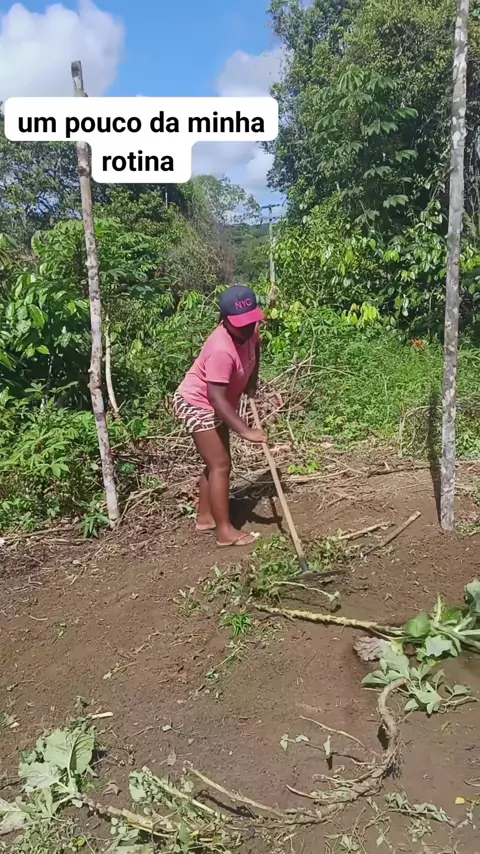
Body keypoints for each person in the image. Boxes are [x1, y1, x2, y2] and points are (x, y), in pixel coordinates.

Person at [173, 285, 267, 547]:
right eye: (241, 324)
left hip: (217, 403)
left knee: (217, 463)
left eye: (251, 321)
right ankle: (224, 532)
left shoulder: (251, 329)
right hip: (197, 402)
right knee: (221, 464)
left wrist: (252, 381)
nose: (247, 328)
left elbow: (255, 348)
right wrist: (246, 431)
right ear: (225, 319)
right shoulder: (221, 350)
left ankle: (206, 517)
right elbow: (216, 399)